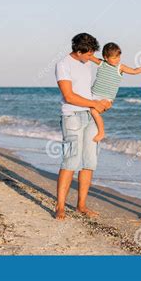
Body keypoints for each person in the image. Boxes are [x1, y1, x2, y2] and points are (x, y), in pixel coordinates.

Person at [54, 33, 112, 220]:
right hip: (72, 116)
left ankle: (81, 206)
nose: (91, 58)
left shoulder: (87, 59)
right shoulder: (63, 65)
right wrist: (94, 104)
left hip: (90, 116)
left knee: (89, 163)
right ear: (78, 51)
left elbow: (107, 65)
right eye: (88, 55)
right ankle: (60, 206)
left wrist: (103, 101)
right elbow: (69, 96)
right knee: (70, 161)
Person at [89, 42, 141, 142]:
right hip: (92, 95)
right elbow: (89, 56)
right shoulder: (101, 63)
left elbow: (134, 71)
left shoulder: (120, 67)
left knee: (93, 111)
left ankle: (101, 132)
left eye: (118, 57)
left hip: (106, 99)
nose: (117, 60)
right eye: (114, 58)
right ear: (106, 57)